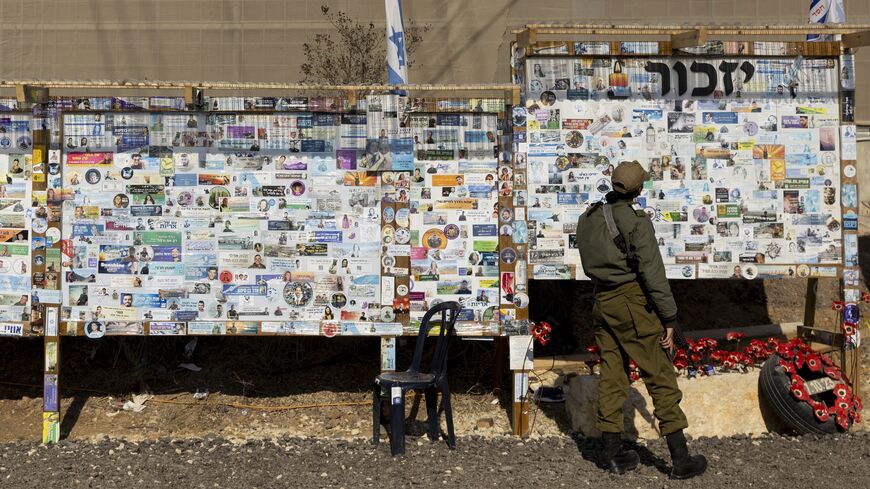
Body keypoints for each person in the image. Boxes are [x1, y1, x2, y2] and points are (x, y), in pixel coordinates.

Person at [576, 160, 706, 479]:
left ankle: (612, 454)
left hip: (601, 301)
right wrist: (669, 317)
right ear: (639, 189)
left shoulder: (588, 217)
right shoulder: (635, 221)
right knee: (659, 374)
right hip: (631, 302)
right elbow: (653, 274)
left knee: (613, 374)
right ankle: (680, 459)